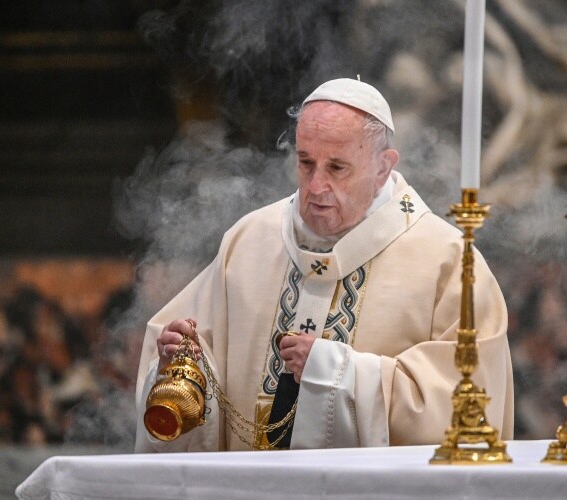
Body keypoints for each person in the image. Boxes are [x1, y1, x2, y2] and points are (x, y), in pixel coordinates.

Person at [134, 78, 513, 452]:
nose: (315, 186)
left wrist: (335, 373)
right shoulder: (250, 241)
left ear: (383, 166)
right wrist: (183, 367)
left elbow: (468, 410)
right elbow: (196, 368)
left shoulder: (447, 261)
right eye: (305, 162)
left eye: (337, 168)